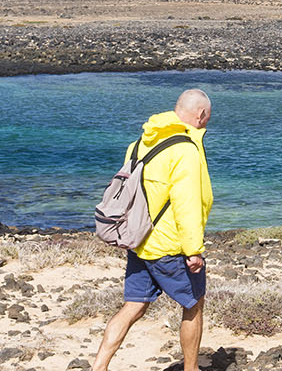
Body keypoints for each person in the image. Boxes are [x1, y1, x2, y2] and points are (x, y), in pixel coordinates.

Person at [92, 89, 214, 371]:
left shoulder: (140, 143)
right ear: (200, 115)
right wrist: (193, 249)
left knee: (134, 305)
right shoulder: (185, 150)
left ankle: (99, 366)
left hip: (138, 240)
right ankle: (191, 369)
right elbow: (187, 203)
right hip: (168, 246)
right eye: (208, 117)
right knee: (194, 305)